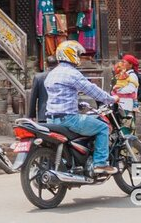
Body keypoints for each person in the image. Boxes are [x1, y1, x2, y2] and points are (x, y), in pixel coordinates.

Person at [43, 40, 117, 175]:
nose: (79, 56)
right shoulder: (72, 73)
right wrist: (110, 99)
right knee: (102, 127)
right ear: (70, 55)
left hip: (51, 120)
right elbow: (91, 90)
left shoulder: (51, 74)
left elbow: (60, 95)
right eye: (77, 53)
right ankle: (100, 163)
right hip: (69, 119)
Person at [26, 55, 57, 121]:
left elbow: (33, 97)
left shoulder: (39, 77)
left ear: (45, 64)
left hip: (43, 115)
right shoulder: (62, 77)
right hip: (59, 115)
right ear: (57, 64)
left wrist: (31, 115)